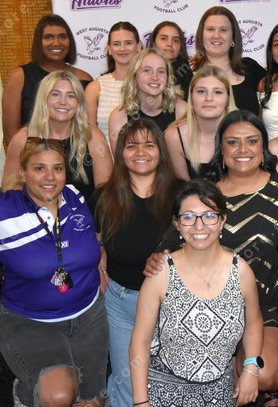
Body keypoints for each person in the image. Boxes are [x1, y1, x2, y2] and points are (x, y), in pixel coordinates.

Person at [145, 111, 278, 402]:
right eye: (233, 142)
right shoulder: (205, 196)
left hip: (268, 306)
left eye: (252, 141)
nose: (243, 149)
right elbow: (169, 244)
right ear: (221, 150)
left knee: (266, 374)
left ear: (263, 147)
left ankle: (249, 384)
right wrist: (156, 258)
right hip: (209, 307)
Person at [0, 139, 108, 406]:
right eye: (39, 168)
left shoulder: (74, 197)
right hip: (29, 320)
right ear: (22, 173)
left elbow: (91, 239)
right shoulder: (1, 208)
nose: (50, 177)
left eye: (57, 168)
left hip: (89, 316)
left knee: (92, 402)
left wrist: (101, 261)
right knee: (59, 395)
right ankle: (27, 393)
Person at [130, 180, 263, 406]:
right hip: (164, 393)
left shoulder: (241, 271)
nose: (199, 226)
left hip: (220, 394)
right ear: (177, 223)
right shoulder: (161, 273)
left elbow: (254, 323)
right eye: (189, 217)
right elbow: (140, 341)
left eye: (209, 216)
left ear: (222, 220)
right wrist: (141, 402)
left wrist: (251, 368)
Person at [90, 118, 181, 406]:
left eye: (149, 145)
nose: (140, 152)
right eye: (131, 146)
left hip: (172, 305)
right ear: (121, 153)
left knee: (171, 381)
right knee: (128, 382)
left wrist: (169, 254)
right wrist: (99, 256)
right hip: (122, 304)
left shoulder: (183, 194)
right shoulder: (103, 197)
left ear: (161, 151)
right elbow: (94, 241)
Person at [2, 70, 113, 201]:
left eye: (71, 96)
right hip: (34, 213)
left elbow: (105, 194)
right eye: (55, 94)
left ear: (79, 102)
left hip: (85, 212)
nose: (63, 102)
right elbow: (10, 191)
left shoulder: (93, 137)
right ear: (44, 99)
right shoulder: (22, 140)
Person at [2, 14, 92, 144]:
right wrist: (36, 156)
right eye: (48, 37)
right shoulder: (20, 76)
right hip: (32, 154)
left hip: (77, 153)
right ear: (38, 42)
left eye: (63, 37)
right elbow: (11, 134)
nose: (56, 43)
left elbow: (88, 127)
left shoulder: (85, 79)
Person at [164, 65, 237, 181]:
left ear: (228, 99)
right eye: (201, 91)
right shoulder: (174, 137)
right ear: (191, 97)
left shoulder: (244, 131)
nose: (209, 98)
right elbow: (182, 188)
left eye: (217, 92)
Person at [108, 48, 188, 151]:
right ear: (134, 75)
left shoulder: (182, 110)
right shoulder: (119, 117)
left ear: (168, 77)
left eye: (161, 71)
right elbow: (120, 160)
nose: (155, 77)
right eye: (147, 70)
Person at [191, 6, 266, 115]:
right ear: (201, 35)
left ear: (233, 37)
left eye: (223, 30)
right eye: (210, 29)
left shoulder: (249, 68)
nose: (216, 35)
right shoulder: (186, 71)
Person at [86, 21, 141, 146]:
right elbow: (90, 136)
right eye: (116, 44)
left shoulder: (151, 85)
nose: (122, 48)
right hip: (105, 157)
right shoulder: (95, 89)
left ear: (139, 47)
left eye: (128, 43)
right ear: (109, 49)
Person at [149, 21, 194, 98]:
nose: (169, 44)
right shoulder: (140, 69)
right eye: (164, 38)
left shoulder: (189, 73)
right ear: (153, 44)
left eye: (175, 40)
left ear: (181, 46)